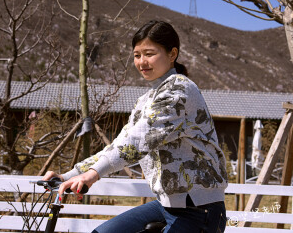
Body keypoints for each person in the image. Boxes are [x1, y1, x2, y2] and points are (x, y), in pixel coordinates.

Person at [43, 20, 228, 233]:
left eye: (149, 53)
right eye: (137, 55)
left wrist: (93, 175)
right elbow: (119, 144)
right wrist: (69, 175)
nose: (142, 62)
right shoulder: (146, 100)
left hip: (199, 209)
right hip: (166, 204)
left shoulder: (179, 90)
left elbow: (139, 140)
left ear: (172, 54)